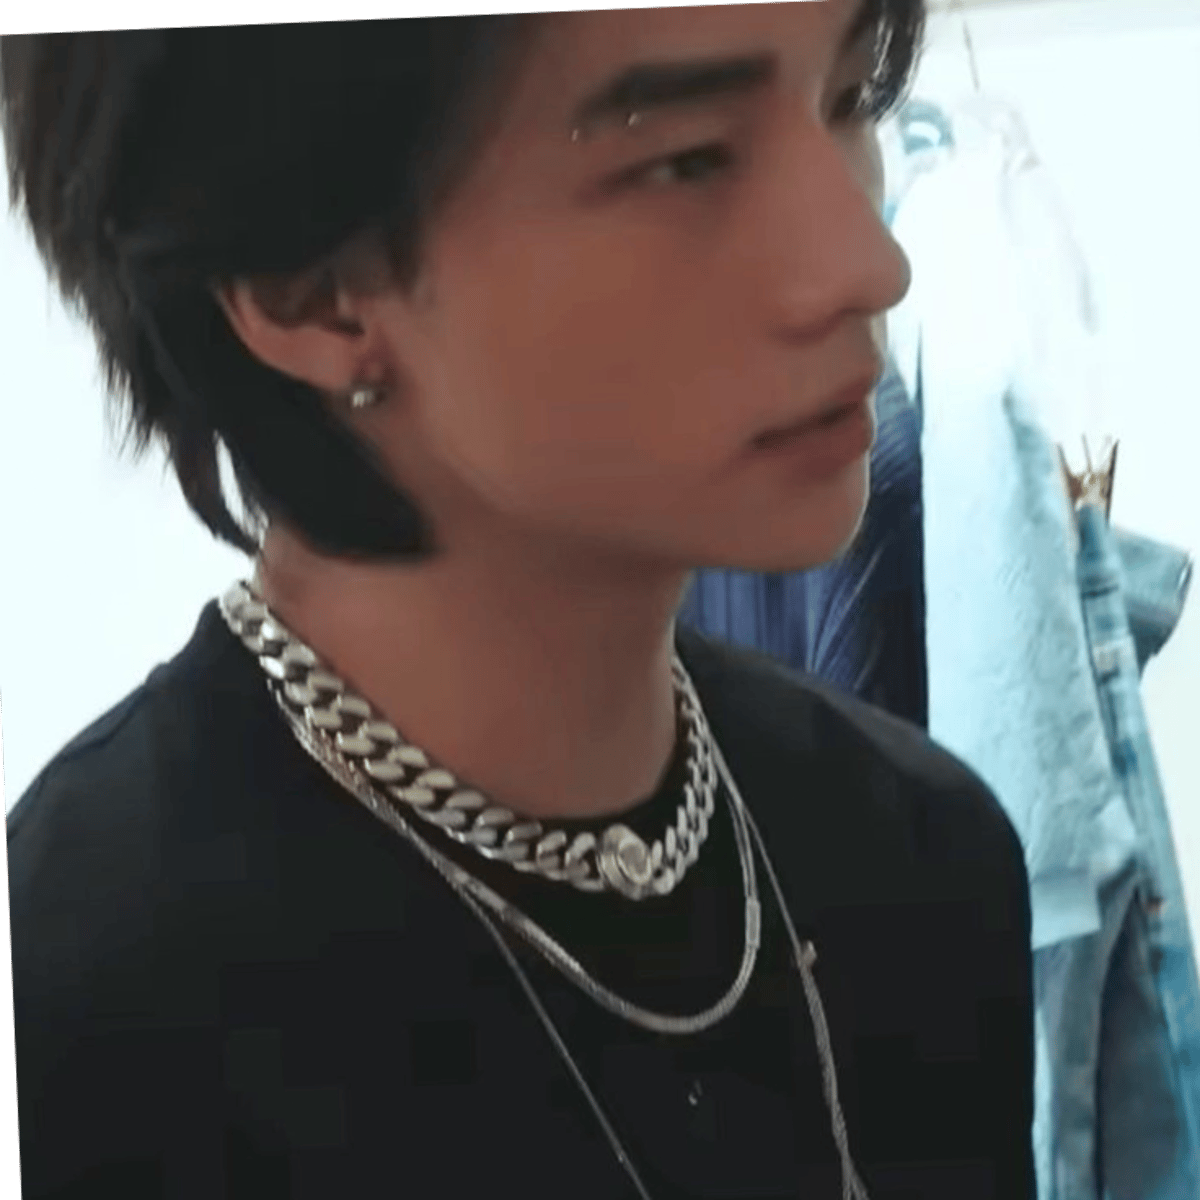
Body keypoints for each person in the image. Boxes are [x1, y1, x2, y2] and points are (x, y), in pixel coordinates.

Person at [1, 4, 1035, 1197]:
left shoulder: (920, 856)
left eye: (850, 100)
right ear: (307, 288)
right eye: (687, 159)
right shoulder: (83, 1008)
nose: (867, 261)